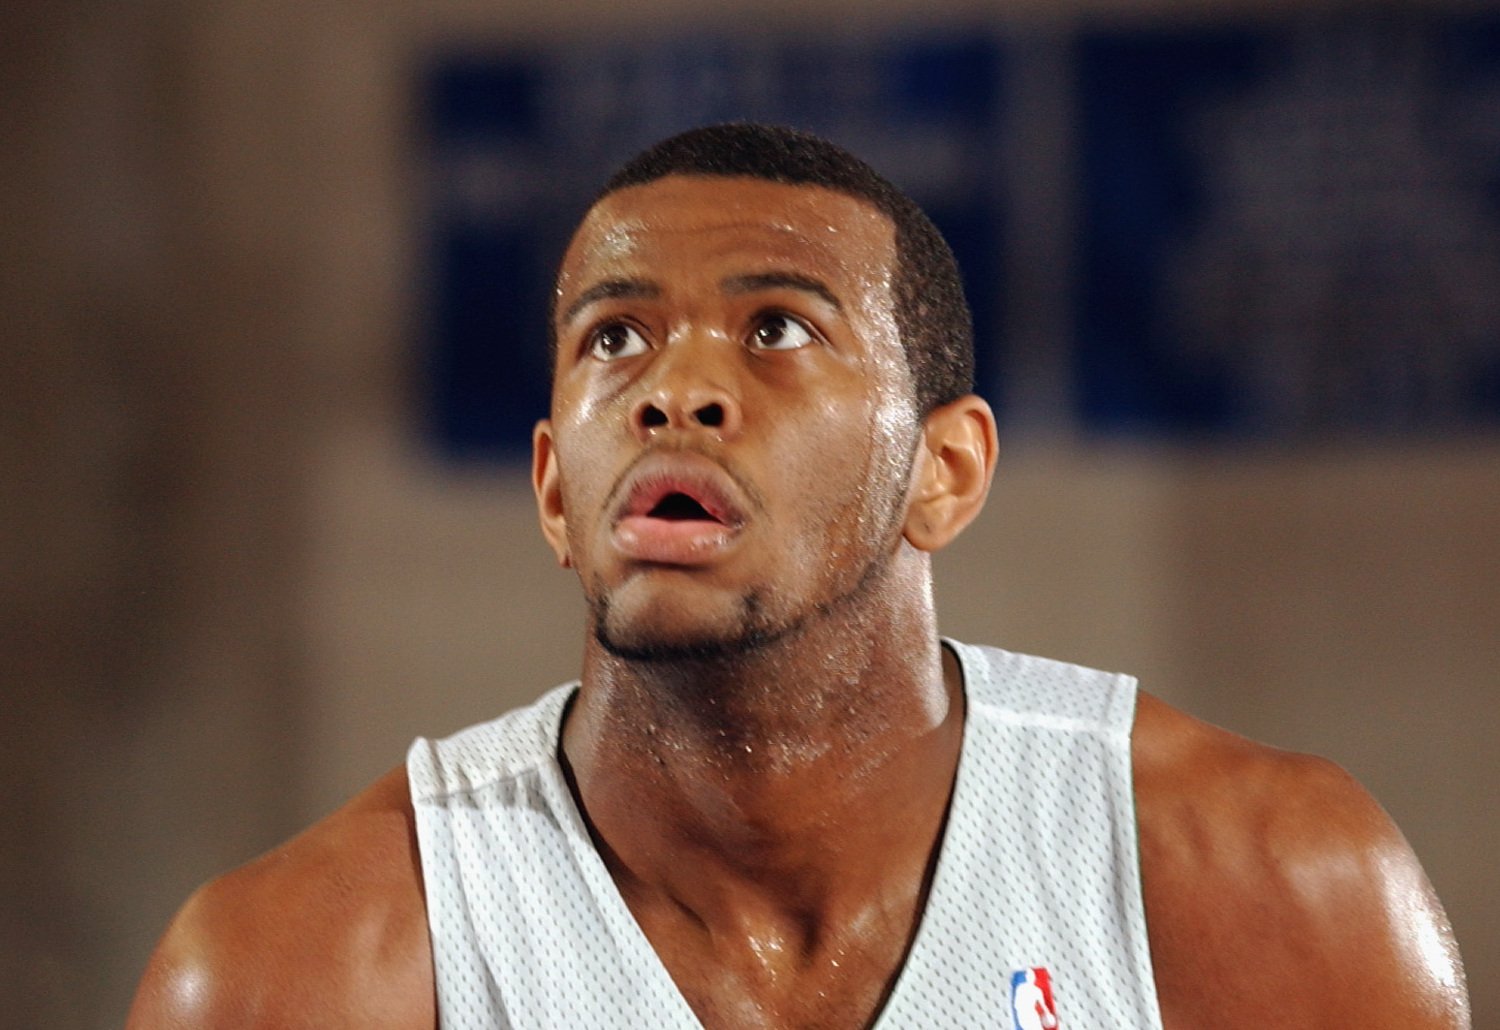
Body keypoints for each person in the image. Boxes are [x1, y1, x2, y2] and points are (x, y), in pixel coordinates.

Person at [127, 123, 1469, 1029]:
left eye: (777, 327)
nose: (676, 388)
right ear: (554, 488)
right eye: (614, 338)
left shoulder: (1260, 887)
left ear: (945, 470)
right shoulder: (308, 970)